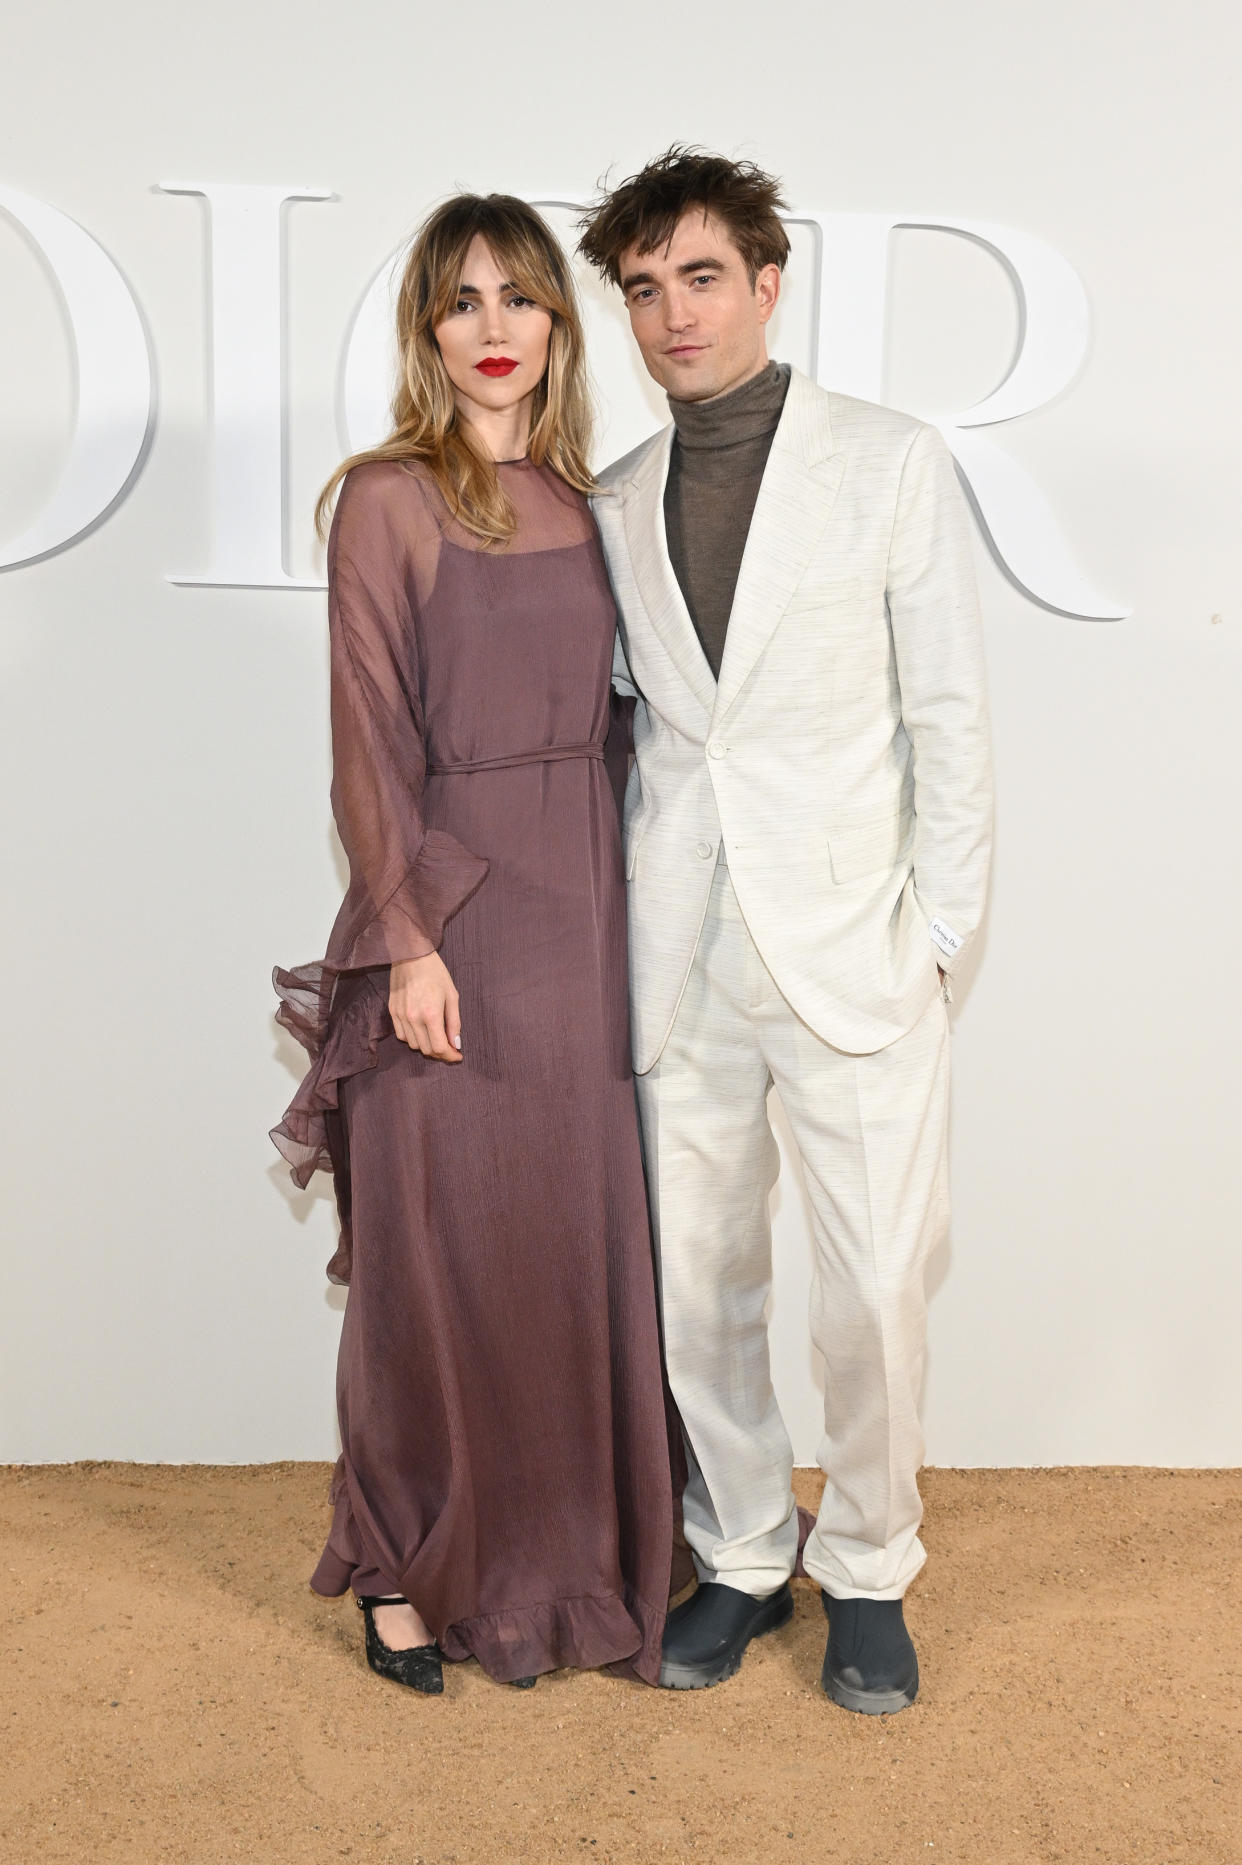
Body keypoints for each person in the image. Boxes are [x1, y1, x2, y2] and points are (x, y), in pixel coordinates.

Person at [578, 148, 993, 1713]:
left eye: (698, 276)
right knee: (703, 1278)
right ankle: (744, 1545)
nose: (670, 314)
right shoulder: (610, 498)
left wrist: (936, 936)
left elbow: (947, 714)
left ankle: (869, 1562)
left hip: (854, 956)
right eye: (640, 288)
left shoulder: (887, 461)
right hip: (675, 951)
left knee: (878, 1284)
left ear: (765, 280)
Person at [271, 193, 673, 1693]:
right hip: (449, 916)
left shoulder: (594, 501)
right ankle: (402, 1567)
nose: (493, 330)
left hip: (590, 915)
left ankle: (584, 1552)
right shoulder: (385, 495)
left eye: (520, 299)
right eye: (462, 302)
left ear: (560, 327)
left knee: (573, 1253)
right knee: (435, 1263)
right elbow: (364, 736)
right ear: (426, 330)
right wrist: (409, 943)